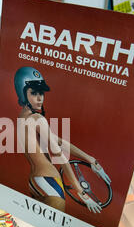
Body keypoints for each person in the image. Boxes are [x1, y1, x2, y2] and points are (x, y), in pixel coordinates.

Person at [15, 66, 110, 214]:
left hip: (34, 181)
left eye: (41, 93)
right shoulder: (37, 119)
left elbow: (58, 142)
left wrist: (91, 160)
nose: (40, 98)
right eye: (34, 93)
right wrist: (80, 191)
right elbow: (59, 154)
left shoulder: (22, 118)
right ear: (22, 93)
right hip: (49, 181)